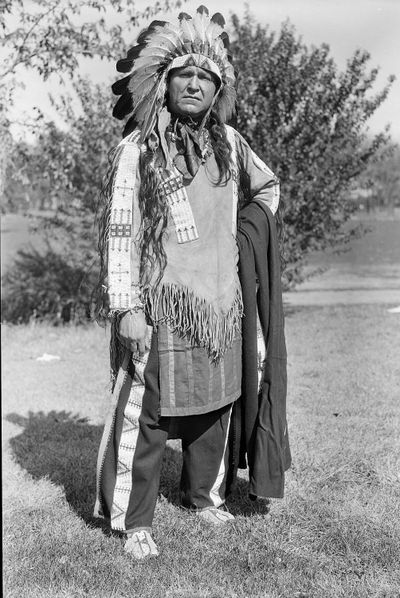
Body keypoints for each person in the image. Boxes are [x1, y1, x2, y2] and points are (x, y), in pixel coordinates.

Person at [94, 5, 291, 560]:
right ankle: (134, 521)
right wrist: (126, 309)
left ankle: (205, 498)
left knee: (215, 408)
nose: (196, 83)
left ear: (217, 89)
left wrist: (241, 242)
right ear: (164, 81)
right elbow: (120, 231)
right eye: (185, 73)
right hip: (160, 305)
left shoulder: (229, 142)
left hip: (222, 303)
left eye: (206, 77)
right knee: (149, 414)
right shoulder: (137, 149)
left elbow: (269, 188)